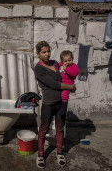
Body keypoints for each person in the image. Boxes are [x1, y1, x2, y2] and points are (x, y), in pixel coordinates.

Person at [34, 41, 76, 169]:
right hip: (49, 103)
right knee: (44, 128)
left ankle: (59, 152)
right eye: (44, 52)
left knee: (60, 127)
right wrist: (71, 87)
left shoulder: (56, 63)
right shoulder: (39, 69)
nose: (47, 54)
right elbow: (54, 84)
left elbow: (68, 72)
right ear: (38, 54)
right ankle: (40, 154)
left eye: (48, 51)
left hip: (62, 102)